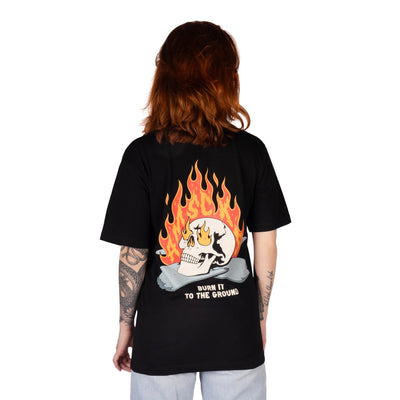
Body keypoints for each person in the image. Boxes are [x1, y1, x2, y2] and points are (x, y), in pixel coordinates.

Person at [100, 21, 291, 400]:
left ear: (165, 78)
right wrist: (260, 320)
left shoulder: (141, 155)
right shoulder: (252, 151)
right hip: (235, 334)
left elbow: (133, 253)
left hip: (161, 335)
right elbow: (266, 245)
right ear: (227, 79)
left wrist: (125, 327)